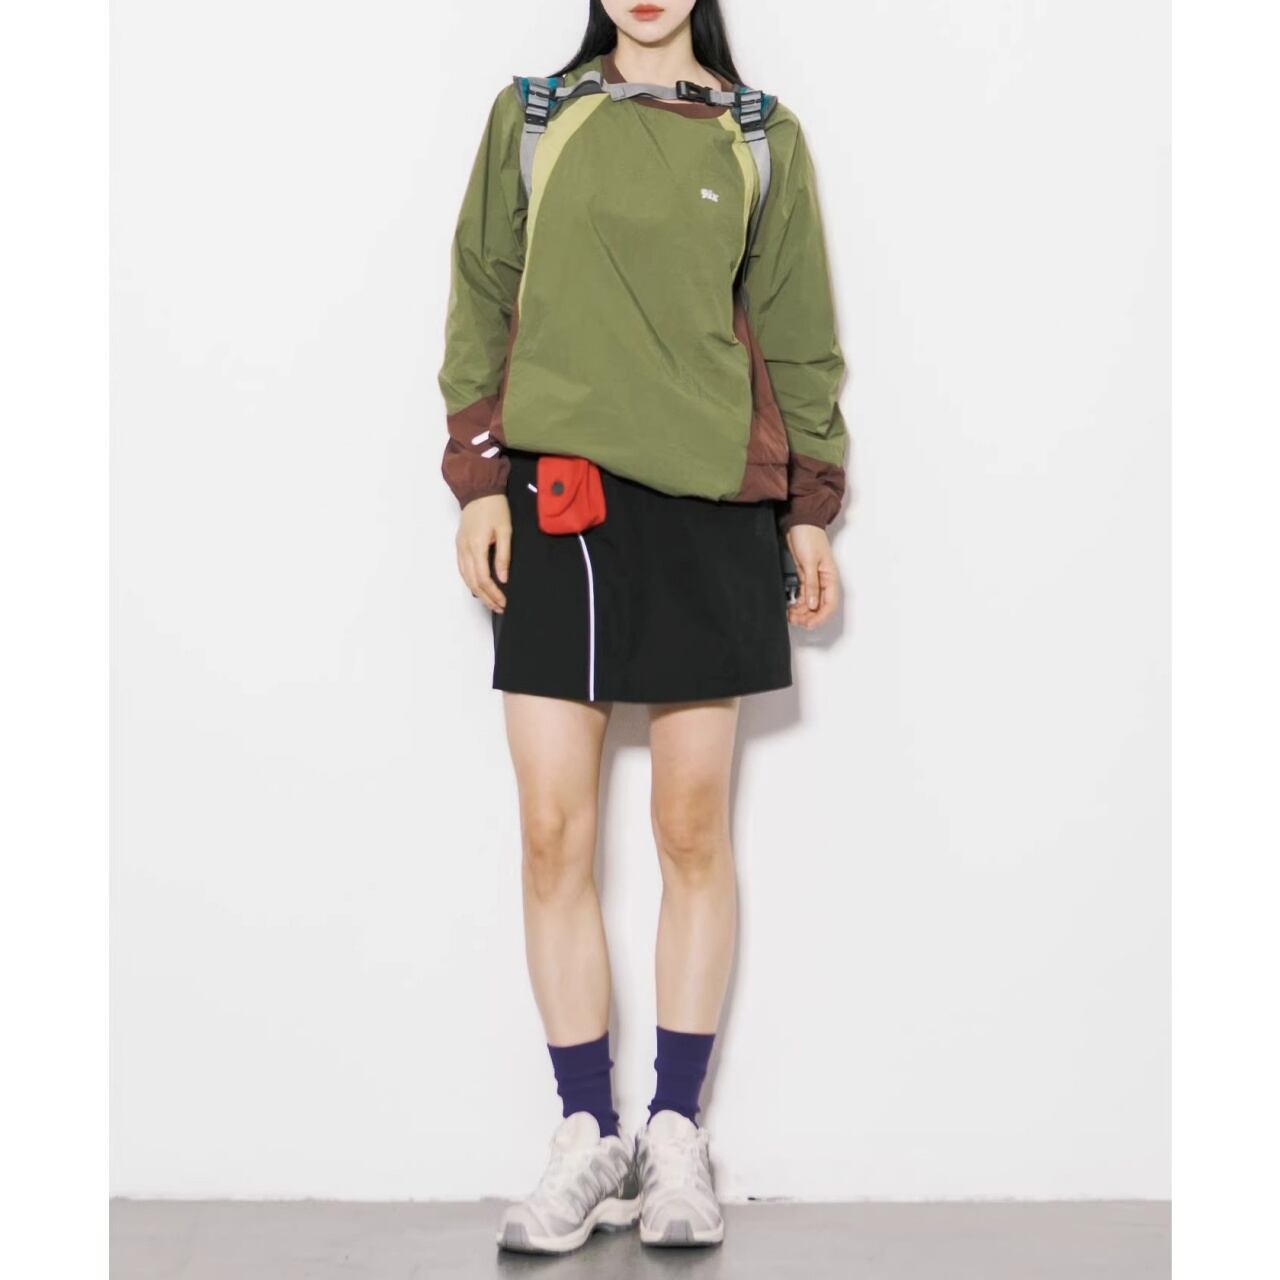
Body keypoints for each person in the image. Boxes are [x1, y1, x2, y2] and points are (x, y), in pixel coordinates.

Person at [437, 0, 847, 1255]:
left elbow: (799, 339)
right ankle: (584, 1132)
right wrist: (477, 480)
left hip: (711, 509)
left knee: (688, 828)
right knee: (551, 831)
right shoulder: (532, 119)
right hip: (559, 502)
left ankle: (675, 1131)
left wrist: (809, 511)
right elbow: (480, 299)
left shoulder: (760, 135)